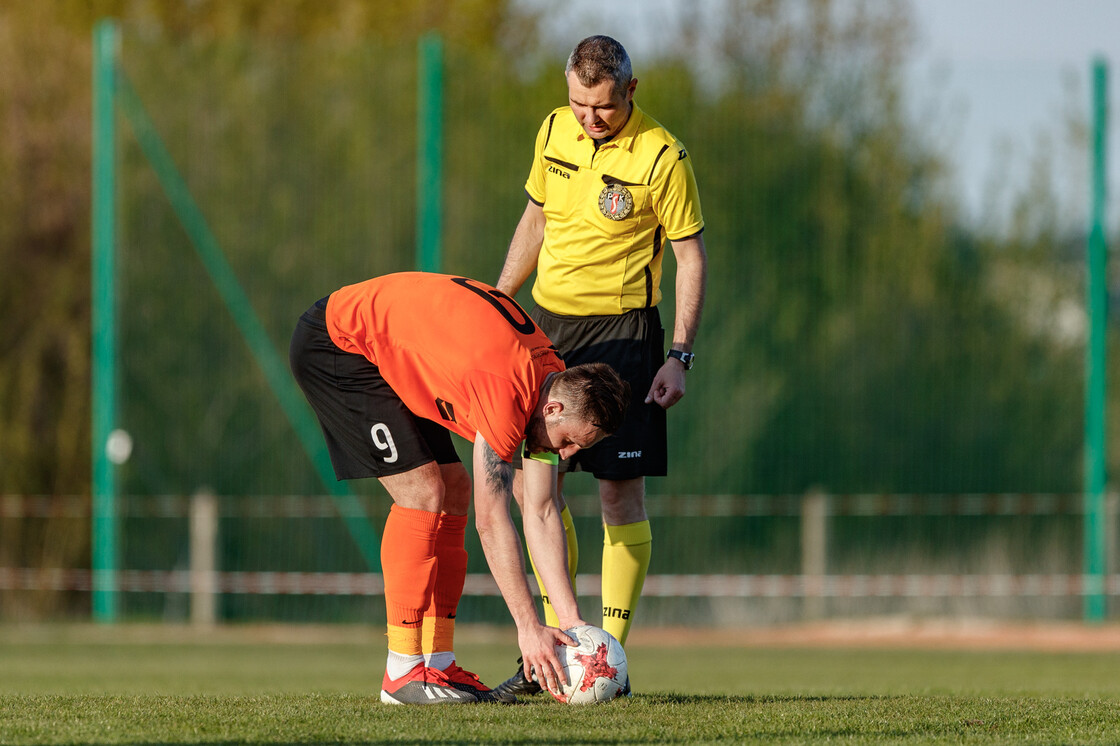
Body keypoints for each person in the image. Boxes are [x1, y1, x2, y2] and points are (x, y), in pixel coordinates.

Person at [289, 271, 630, 705]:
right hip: (338, 344)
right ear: (554, 407)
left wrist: (573, 626)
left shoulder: (552, 382)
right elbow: (492, 522)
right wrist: (528, 628)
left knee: (454, 488)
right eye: (567, 443)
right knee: (423, 492)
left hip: (387, 348)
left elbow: (542, 510)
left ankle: (439, 663)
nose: (564, 456)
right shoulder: (508, 391)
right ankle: (402, 673)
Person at [493, 34, 707, 699]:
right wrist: (500, 303)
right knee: (541, 492)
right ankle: (563, 645)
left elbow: (691, 259)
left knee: (619, 494)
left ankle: (608, 653)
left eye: (605, 107)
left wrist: (679, 355)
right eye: (580, 103)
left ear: (631, 93)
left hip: (625, 335)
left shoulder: (663, 156)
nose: (590, 117)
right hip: (548, 333)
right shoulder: (554, 130)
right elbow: (535, 219)